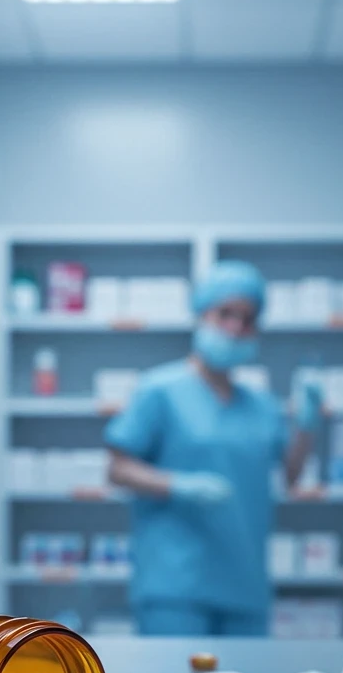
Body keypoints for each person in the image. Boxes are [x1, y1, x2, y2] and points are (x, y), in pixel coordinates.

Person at [104, 260, 321, 637]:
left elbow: (290, 476)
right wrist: (178, 485)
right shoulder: (159, 390)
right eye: (225, 314)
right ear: (202, 314)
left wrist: (306, 428)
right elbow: (117, 468)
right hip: (175, 584)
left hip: (246, 584)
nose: (236, 327)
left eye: (247, 319)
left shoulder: (262, 405)